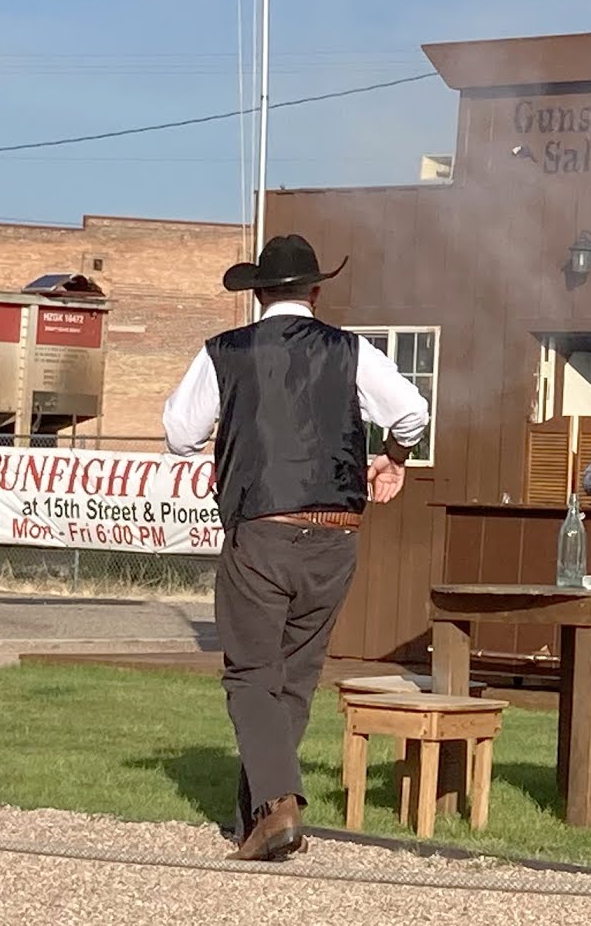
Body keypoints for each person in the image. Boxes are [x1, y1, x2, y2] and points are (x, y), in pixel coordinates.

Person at [163, 233, 429, 862]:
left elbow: (178, 433)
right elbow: (413, 413)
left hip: (262, 527)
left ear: (257, 294)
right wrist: (393, 458)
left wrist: (228, 438)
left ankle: (278, 805)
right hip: (334, 534)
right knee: (294, 680)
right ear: (315, 290)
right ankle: (256, 818)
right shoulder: (352, 350)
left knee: (252, 676)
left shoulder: (225, 352)